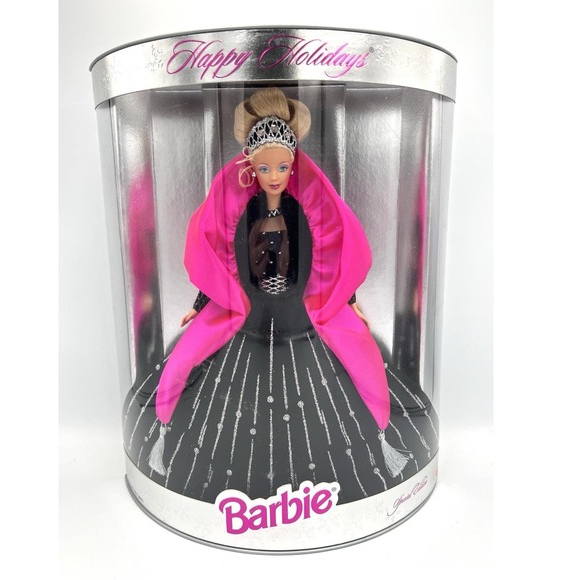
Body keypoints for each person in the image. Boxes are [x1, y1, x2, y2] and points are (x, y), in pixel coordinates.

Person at [122, 87, 438, 505]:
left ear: (293, 165)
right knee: (185, 358)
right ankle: (164, 438)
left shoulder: (302, 210)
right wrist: (200, 304)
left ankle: (382, 443)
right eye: (265, 167)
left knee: (361, 356)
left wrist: (349, 300)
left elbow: (331, 254)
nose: (274, 175)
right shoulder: (242, 210)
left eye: (283, 166)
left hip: (301, 312)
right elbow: (218, 260)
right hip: (246, 313)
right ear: (250, 165)